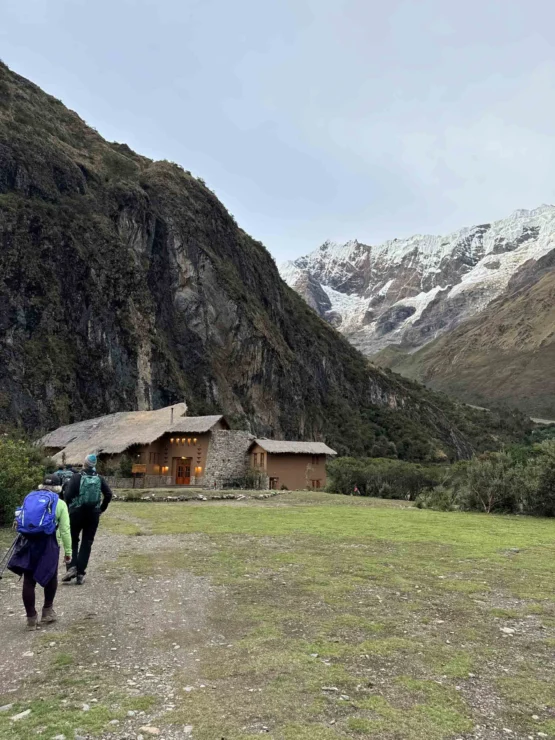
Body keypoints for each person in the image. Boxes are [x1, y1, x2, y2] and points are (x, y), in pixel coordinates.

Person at [7, 474, 72, 630]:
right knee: (50, 576)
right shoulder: (60, 504)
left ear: (42, 486)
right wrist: (68, 551)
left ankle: (31, 619)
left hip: (28, 542)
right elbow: (65, 529)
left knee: (29, 580)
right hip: (48, 544)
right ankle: (47, 611)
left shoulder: (30, 498)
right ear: (58, 488)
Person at [62, 453, 112, 585]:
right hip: (93, 514)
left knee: (73, 540)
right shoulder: (99, 478)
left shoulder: (76, 477)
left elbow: (68, 495)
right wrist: (101, 509)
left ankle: (71, 567)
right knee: (87, 543)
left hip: (76, 513)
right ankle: (80, 574)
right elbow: (108, 494)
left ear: (84, 464)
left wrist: (70, 508)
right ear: (94, 465)